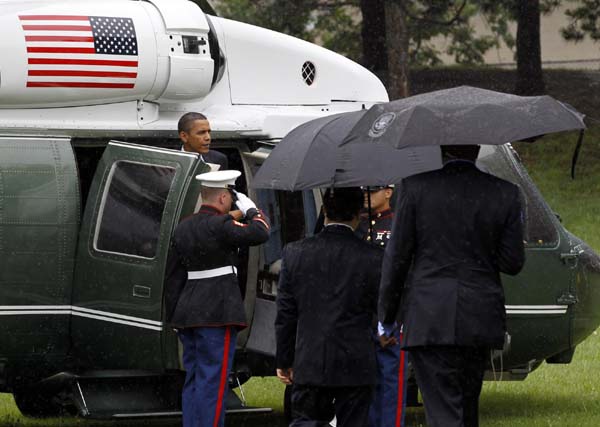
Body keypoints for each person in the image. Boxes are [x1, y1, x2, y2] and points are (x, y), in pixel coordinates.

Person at [378, 145, 525, 427]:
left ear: (442, 150)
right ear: (477, 149)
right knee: (467, 407)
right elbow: (513, 262)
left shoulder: (415, 188)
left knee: (442, 408)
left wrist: (386, 317)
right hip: (479, 314)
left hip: (429, 314)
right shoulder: (505, 192)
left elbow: (397, 258)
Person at [164, 170, 270, 427]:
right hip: (217, 312)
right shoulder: (220, 225)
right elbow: (260, 233)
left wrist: (174, 316)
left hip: (188, 313)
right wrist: (252, 210)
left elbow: (173, 276)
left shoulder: (183, 227)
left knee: (194, 378)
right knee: (214, 380)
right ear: (223, 197)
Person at [275, 187, 382, 427]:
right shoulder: (373, 257)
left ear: (324, 211)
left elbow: (286, 313)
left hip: (311, 358)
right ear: (358, 214)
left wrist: (284, 358)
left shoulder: (295, 253)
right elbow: (382, 308)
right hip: (355, 360)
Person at [357, 185, 409, 427]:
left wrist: (393, 320)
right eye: (365, 191)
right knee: (362, 386)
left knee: (389, 387)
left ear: (388, 192)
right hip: (360, 315)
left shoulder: (398, 225)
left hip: (388, 316)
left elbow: (403, 276)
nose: (367, 195)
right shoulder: (358, 224)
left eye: (373, 190)